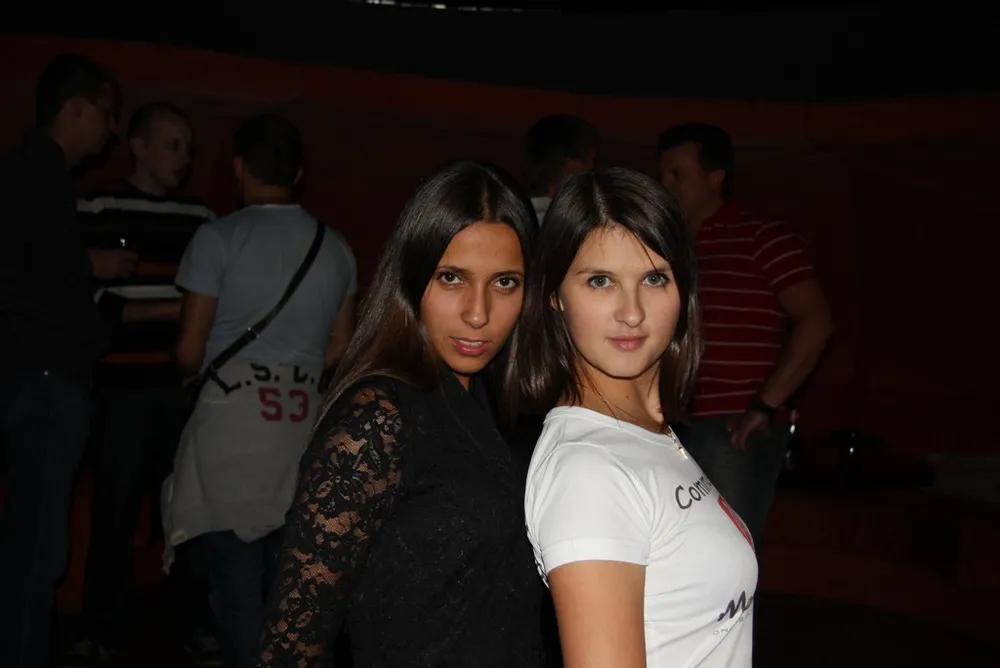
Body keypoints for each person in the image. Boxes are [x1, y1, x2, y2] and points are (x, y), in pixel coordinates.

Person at [258, 160, 546, 667]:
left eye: (505, 282)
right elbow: (289, 648)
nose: (478, 313)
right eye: (451, 278)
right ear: (411, 279)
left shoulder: (492, 402)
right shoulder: (378, 418)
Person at [513, 167, 757, 667]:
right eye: (600, 281)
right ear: (555, 294)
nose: (632, 312)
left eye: (654, 278)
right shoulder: (589, 470)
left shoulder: (648, 432)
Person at [161, 113, 357, 668]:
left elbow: (188, 351)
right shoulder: (335, 248)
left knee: (235, 581)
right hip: (299, 425)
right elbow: (341, 347)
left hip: (230, 423)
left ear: (239, 167)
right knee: (291, 581)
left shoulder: (217, 238)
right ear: (297, 173)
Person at [65, 101, 219, 668]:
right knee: (115, 511)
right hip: (119, 389)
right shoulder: (99, 206)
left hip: (181, 389)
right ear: (139, 146)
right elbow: (80, 302)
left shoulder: (200, 217)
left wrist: (140, 311)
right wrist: (174, 310)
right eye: (174, 145)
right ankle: (101, 629)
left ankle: (192, 626)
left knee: (187, 513)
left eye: (189, 148)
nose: (184, 158)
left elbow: (211, 305)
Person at [0, 53, 131, 668]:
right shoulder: (35, 176)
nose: (110, 128)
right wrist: (88, 270)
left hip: (36, 376)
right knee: (36, 550)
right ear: (74, 108)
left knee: (31, 545)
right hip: (44, 379)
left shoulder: (32, 173)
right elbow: (27, 279)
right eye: (106, 113)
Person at [657, 123, 833, 550]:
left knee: (724, 551)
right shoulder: (665, 246)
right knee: (672, 552)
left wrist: (764, 405)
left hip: (732, 426)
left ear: (715, 178)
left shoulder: (763, 236)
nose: (666, 184)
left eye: (678, 174)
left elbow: (817, 321)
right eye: (662, 174)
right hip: (669, 424)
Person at [523, 114, 598, 223]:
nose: (592, 169)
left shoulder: (513, 216)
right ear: (571, 164)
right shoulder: (564, 225)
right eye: (591, 159)